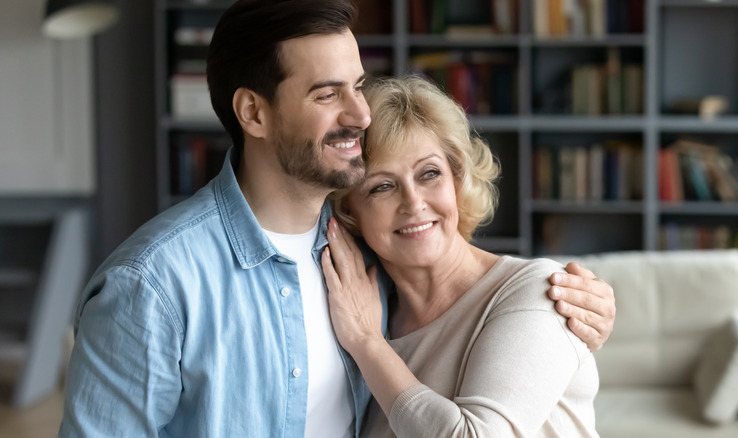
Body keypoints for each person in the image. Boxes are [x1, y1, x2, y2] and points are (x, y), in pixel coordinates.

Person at [59, 1, 615, 437]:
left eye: (357, 86)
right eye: (328, 94)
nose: (359, 114)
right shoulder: (153, 285)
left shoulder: (365, 265)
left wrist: (586, 308)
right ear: (253, 112)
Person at [323, 75, 603, 437]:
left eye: (429, 174)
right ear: (350, 213)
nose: (414, 203)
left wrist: (367, 345)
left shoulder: (534, 291)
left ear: (457, 182)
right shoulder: (368, 310)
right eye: (383, 186)